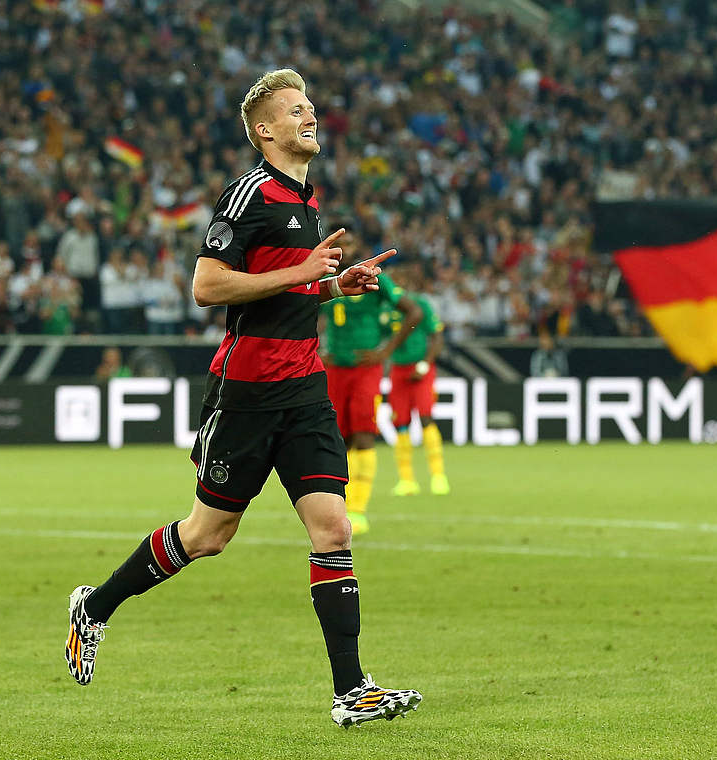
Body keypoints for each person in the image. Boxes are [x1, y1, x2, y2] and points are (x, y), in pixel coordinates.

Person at [64, 69, 422, 728]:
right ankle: (95, 607)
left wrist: (336, 288)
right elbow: (207, 285)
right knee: (208, 534)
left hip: (304, 385)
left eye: (311, 107)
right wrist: (304, 271)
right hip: (248, 390)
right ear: (265, 130)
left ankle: (351, 691)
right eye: (296, 110)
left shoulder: (305, 198)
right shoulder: (249, 192)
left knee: (333, 527)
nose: (310, 116)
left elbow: (285, 291)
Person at [320, 240, 421, 534]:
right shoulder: (322, 275)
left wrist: (384, 351)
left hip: (366, 370)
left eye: (351, 242)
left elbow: (413, 312)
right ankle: (339, 507)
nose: (346, 248)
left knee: (364, 434)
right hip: (333, 368)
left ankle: (358, 510)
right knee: (337, 439)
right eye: (341, 243)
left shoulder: (375, 277)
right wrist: (317, 347)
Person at [386, 273, 449, 497]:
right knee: (400, 424)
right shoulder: (387, 309)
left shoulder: (421, 305)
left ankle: (438, 476)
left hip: (421, 370)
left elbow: (437, 337)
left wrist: (425, 364)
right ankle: (407, 480)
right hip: (398, 371)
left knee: (425, 418)